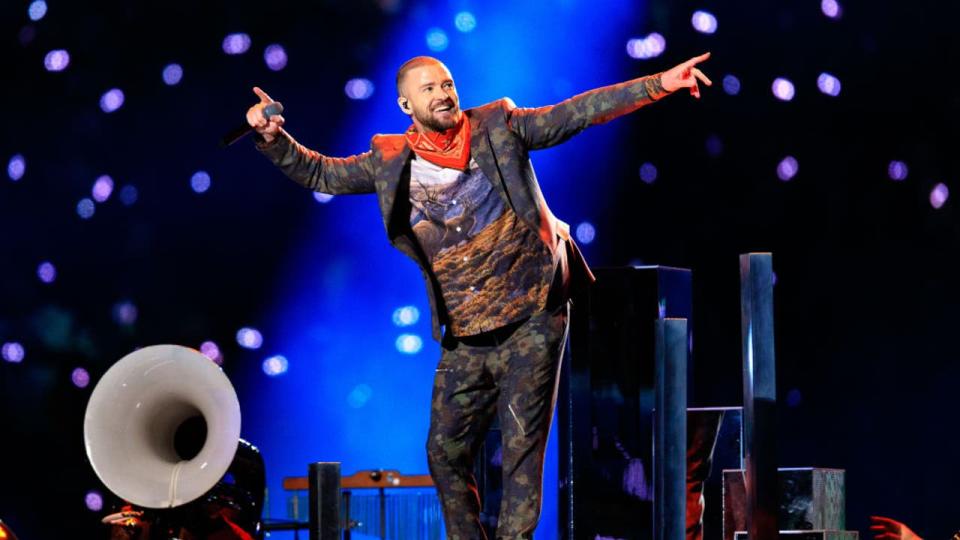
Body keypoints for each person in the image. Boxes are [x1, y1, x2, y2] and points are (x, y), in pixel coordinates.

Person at [248, 52, 712, 539]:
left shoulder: (498, 126)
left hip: (533, 311)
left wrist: (659, 83)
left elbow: (579, 112)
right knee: (443, 452)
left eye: (447, 83)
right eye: (429, 88)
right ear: (406, 104)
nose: (444, 93)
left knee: (520, 453)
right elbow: (321, 173)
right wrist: (272, 137)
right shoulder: (391, 162)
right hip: (466, 330)